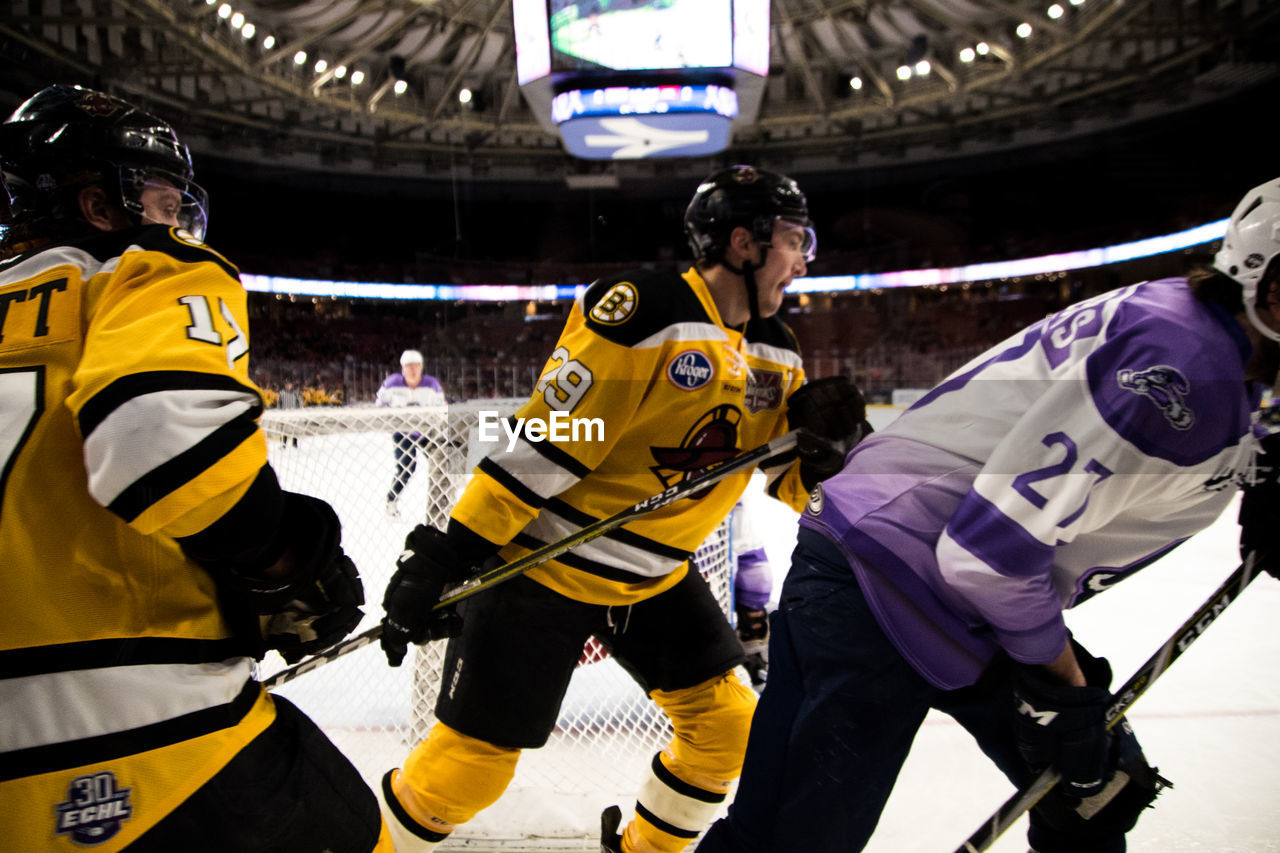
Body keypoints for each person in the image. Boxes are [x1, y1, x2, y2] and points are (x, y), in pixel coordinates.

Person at [696, 176, 1280, 853]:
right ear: (1263, 279)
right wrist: (1062, 690)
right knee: (791, 838)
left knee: (1094, 796)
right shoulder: (1184, 370)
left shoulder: (1194, 327)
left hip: (908, 563)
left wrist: (1264, 462)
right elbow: (989, 555)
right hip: (885, 578)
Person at [372, 165, 869, 853]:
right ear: (743, 243)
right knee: (468, 770)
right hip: (546, 566)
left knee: (726, 729)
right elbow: (549, 440)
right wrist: (449, 550)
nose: (803, 258)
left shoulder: (777, 350)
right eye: (792, 239)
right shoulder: (645, 310)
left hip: (655, 576)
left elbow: (789, 484)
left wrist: (829, 457)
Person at [0, 84, 387, 852]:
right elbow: (157, 439)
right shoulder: (142, 271)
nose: (173, 218)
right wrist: (284, 558)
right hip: (141, 731)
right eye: (160, 198)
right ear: (99, 207)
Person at [376, 348, 446, 518]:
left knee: (441, 464)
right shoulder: (392, 383)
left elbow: (441, 409)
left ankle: (441, 504)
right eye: (409, 366)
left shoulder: (432, 385)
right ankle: (391, 500)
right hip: (402, 433)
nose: (413, 370)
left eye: (416, 366)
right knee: (406, 467)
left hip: (426, 433)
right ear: (403, 369)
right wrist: (391, 420)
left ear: (421, 367)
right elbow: (379, 405)